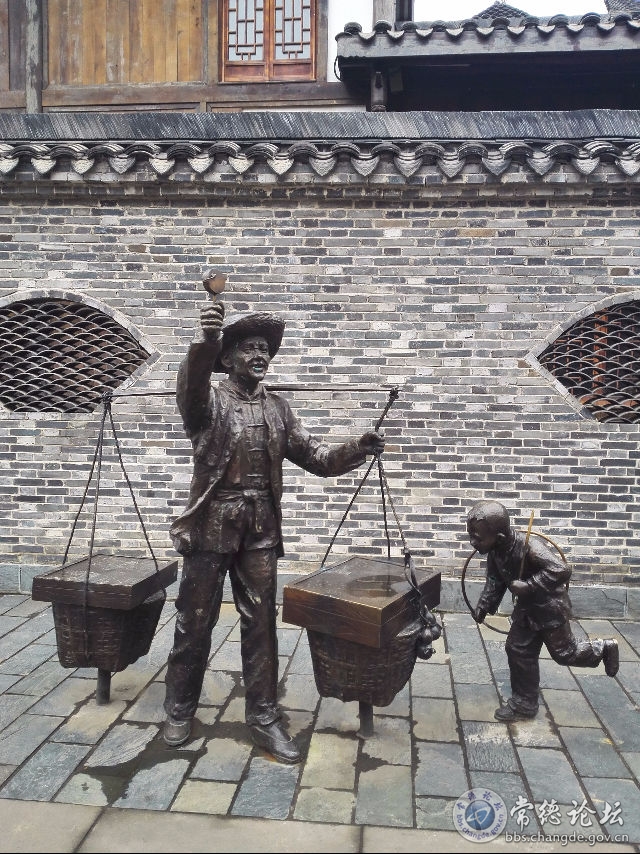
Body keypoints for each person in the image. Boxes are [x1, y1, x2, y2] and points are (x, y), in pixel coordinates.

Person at [163, 280, 385, 763]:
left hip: (260, 528)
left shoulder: (279, 408)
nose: (260, 355)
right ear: (228, 359)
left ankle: (263, 716)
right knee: (194, 620)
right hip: (213, 523)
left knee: (261, 624)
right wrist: (206, 341)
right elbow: (191, 384)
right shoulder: (207, 405)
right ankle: (179, 707)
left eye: (265, 349)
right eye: (249, 348)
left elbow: (317, 457)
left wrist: (357, 448)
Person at [466, 500, 619, 722]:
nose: (472, 542)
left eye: (478, 538)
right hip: (526, 613)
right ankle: (524, 704)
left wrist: (530, 586)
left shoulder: (529, 547)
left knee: (565, 653)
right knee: (518, 650)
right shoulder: (495, 553)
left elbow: (561, 570)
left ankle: (604, 648)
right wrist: (483, 606)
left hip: (549, 609)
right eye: (471, 536)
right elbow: (494, 582)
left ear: (498, 537)